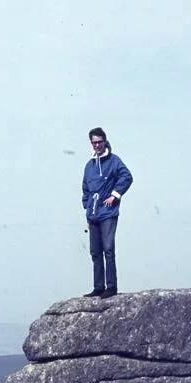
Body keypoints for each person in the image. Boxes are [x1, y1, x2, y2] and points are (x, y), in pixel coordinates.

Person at [81, 127, 133, 298]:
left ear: (105, 141)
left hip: (108, 213)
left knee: (108, 249)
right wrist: (87, 206)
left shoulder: (114, 161)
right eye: (94, 142)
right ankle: (98, 287)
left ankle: (111, 287)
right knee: (95, 251)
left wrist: (114, 195)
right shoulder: (89, 166)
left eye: (99, 142)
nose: (97, 145)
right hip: (93, 214)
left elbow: (127, 177)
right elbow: (85, 188)